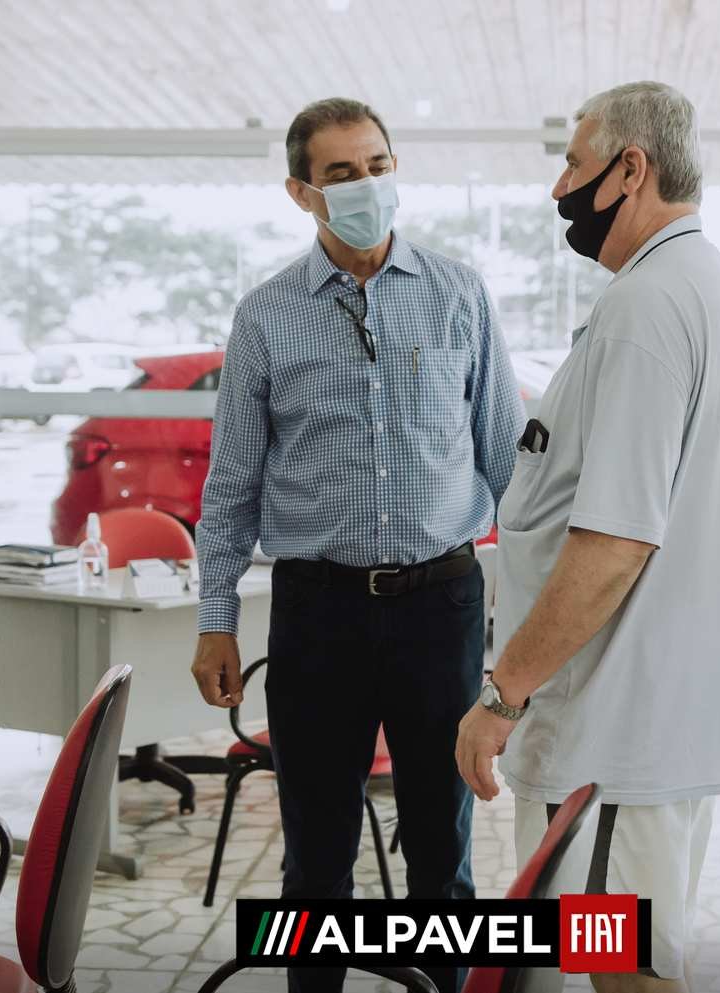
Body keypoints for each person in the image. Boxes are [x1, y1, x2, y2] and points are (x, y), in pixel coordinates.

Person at [454, 81, 720, 993]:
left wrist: (503, 694)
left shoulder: (647, 308)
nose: (560, 186)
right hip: (664, 716)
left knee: (622, 969)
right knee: (634, 958)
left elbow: (615, 544)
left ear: (630, 168)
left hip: (615, 728)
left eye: (573, 163)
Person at [192, 97, 524, 993]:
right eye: (341, 173)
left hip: (441, 604)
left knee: (442, 853)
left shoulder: (458, 293)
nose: (366, 185)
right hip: (318, 611)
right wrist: (216, 620)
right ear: (301, 192)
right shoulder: (267, 315)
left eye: (377, 165)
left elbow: (508, 463)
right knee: (316, 858)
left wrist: (533, 628)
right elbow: (231, 485)